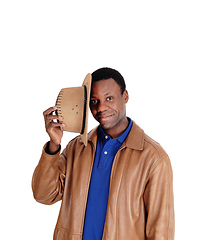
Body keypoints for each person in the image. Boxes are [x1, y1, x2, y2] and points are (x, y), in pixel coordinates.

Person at [32, 67, 175, 240]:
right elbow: (44, 195)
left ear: (125, 96)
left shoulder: (153, 157)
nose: (101, 108)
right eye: (94, 101)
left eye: (109, 98)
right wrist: (54, 145)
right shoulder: (77, 148)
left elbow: (160, 230)